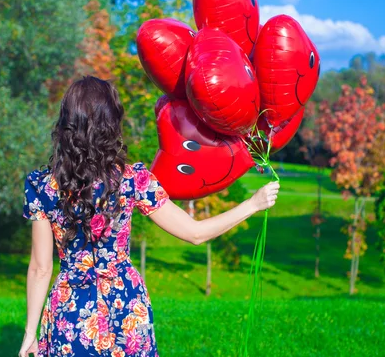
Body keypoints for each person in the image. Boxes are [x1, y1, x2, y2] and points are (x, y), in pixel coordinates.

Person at [18, 76, 279, 357]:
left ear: (67, 123)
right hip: (126, 308)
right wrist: (253, 204)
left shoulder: (42, 185)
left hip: (69, 310)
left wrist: (30, 333)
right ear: (110, 123)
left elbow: (40, 268)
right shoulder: (132, 180)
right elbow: (195, 233)